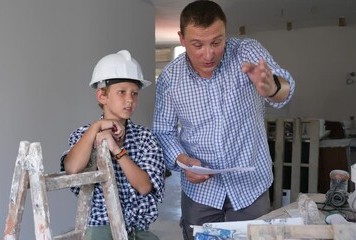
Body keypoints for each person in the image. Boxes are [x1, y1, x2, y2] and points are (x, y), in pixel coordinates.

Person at [152, 1, 295, 239]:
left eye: (217, 42)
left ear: (225, 34)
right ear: (182, 38)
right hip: (200, 193)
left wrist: (272, 87)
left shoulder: (247, 51)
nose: (208, 54)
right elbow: (163, 131)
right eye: (197, 44)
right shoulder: (169, 78)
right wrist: (183, 160)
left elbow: (285, 89)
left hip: (251, 186)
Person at [60, 50, 165, 240]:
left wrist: (117, 150)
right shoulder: (84, 135)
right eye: (121, 92)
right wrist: (96, 127)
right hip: (101, 229)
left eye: (134, 93)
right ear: (102, 96)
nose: (129, 100)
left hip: (138, 231)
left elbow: (144, 187)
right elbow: (73, 168)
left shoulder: (145, 138)